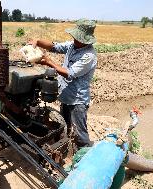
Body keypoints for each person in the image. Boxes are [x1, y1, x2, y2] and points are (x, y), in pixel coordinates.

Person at [30, 19, 97, 148]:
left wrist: (49, 63)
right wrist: (37, 41)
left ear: (86, 40)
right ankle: (67, 149)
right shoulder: (73, 46)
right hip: (66, 95)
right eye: (75, 37)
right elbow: (54, 46)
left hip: (77, 100)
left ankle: (85, 154)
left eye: (78, 38)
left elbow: (69, 73)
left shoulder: (89, 55)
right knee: (65, 125)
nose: (74, 39)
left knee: (80, 134)